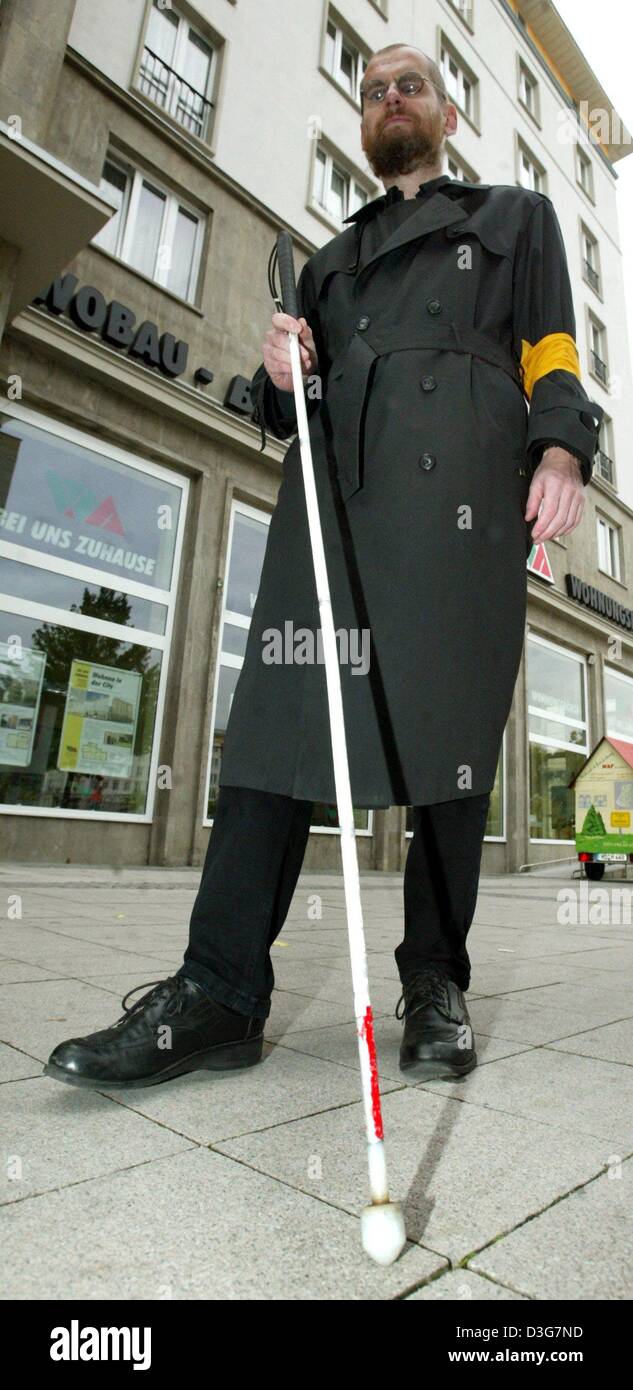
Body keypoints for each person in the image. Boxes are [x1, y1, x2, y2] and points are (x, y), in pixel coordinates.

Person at [44, 43, 603, 1093]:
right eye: (373, 91)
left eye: (410, 86)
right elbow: (286, 409)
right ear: (364, 123)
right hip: (331, 515)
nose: (390, 99)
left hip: (455, 504)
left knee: (448, 744)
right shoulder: (328, 262)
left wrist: (562, 449)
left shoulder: (516, 218)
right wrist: (278, 371)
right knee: (274, 732)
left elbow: (553, 352)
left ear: (447, 115)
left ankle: (434, 980)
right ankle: (217, 993)